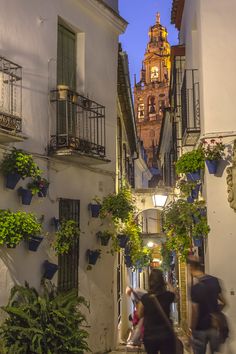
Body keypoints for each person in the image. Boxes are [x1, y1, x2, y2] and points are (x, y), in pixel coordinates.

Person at [187, 256, 226, 354]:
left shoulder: (195, 288)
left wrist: (191, 328)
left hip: (200, 329)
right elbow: (224, 302)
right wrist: (216, 312)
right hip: (214, 327)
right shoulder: (214, 281)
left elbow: (195, 311)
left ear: (191, 268)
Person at [138, 269, 176, 354]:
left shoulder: (145, 298)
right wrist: (167, 283)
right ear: (161, 281)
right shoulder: (168, 296)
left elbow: (139, 314)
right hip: (166, 335)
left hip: (150, 335)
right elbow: (175, 294)